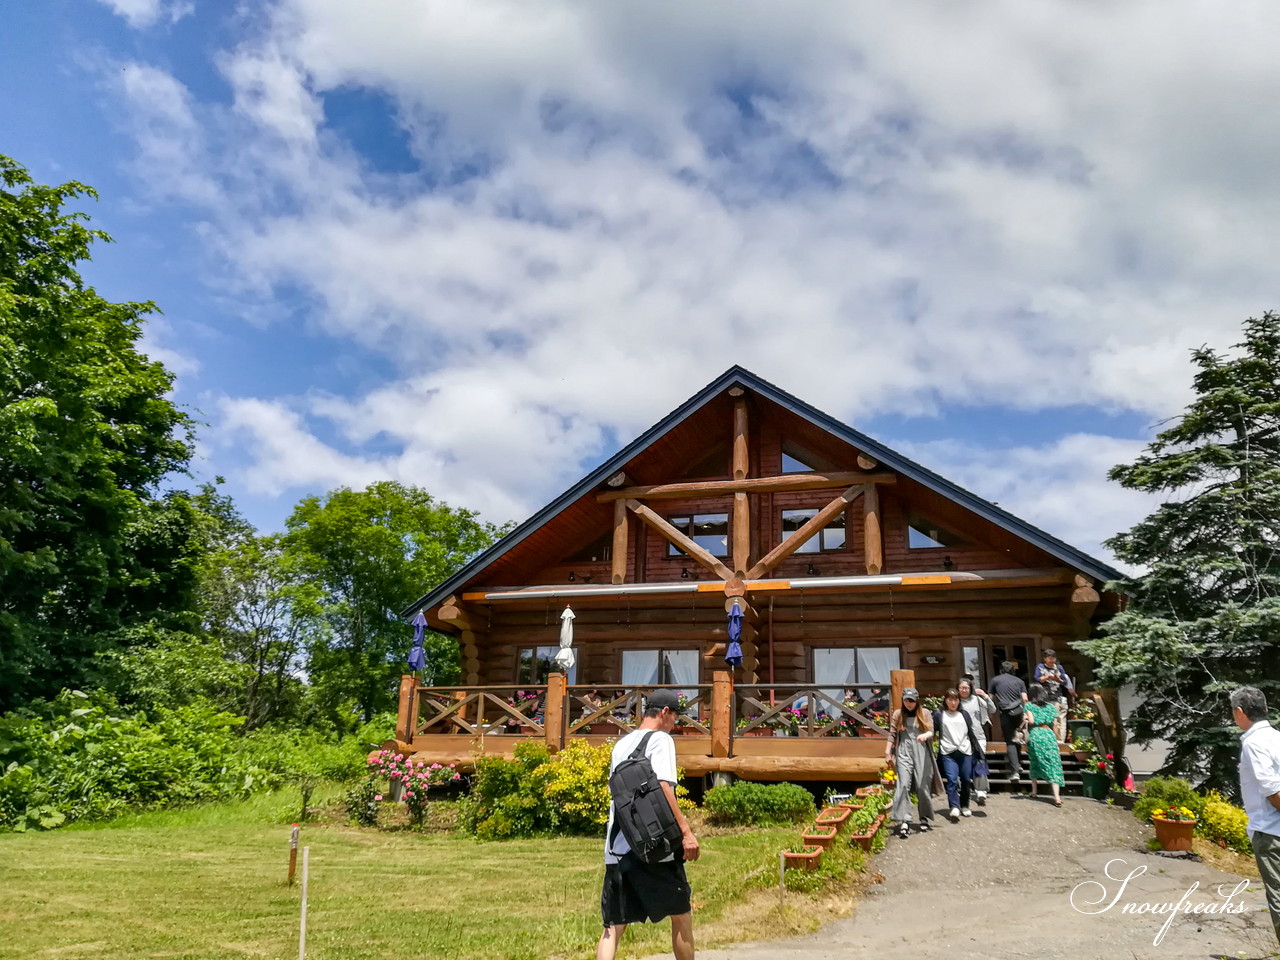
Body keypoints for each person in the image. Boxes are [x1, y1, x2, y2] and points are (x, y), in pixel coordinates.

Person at [598, 689, 700, 960]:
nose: (675, 724)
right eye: (676, 717)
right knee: (681, 916)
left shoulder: (622, 744)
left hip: (617, 847)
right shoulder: (661, 739)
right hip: (654, 847)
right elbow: (664, 786)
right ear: (665, 712)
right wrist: (686, 832)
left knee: (613, 927)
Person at [1230, 686, 1280, 943]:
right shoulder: (1276, 737)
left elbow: (1272, 790)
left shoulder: (1254, 743)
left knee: (1279, 897)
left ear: (1240, 712)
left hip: (1270, 833)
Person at [885, 687, 941, 838]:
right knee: (903, 784)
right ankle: (905, 820)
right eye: (906, 700)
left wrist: (925, 735)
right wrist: (887, 752)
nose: (909, 703)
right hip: (903, 751)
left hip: (921, 751)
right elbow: (892, 734)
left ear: (917, 701)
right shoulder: (898, 714)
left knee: (923, 786)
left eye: (912, 701)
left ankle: (924, 817)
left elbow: (931, 730)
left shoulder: (925, 713)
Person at [933, 688, 984, 820]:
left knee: (966, 779)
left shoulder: (964, 714)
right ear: (945, 700)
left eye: (956, 699)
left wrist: (976, 749)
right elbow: (933, 731)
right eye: (950, 699)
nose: (953, 702)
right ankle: (954, 806)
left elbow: (970, 732)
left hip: (965, 751)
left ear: (959, 701)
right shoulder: (939, 714)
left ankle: (965, 805)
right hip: (948, 752)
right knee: (952, 779)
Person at [1024, 683, 1064, 806]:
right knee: (1054, 763)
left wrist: (1025, 719)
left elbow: (1031, 721)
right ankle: (1057, 797)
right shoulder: (1051, 707)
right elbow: (1056, 725)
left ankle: (1034, 791)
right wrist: (1057, 739)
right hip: (1049, 734)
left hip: (1036, 734)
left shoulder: (1029, 705)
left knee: (1035, 761)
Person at [958, 676, 996, 805]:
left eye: (966, 688)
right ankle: (965, 790)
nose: (964, 690)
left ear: (970, 688)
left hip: (978, 735)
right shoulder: (955, 701)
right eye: (961, 688)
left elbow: (993, 709)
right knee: (964, 763)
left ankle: (981, 791)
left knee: (979, 761)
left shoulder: (977, 700)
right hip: (960, 737)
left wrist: (985, 696)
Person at [988, 660, 1029, 782]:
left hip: (1005, 712)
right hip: (1018, 712)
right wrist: (1026, 713)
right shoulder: (1020, 681)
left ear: (1001, 670)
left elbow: (990, 698)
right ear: (1012, 670)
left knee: (1010, 741)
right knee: (1018, 738)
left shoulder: (995, 680)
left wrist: (990, 712)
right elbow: (1025, 699)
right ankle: (1018, 764)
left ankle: (1015, 769)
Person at [1033, 649, 1075, 743]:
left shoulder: (1059, 668)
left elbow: (1064, 681)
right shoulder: (1040, 667)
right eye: (1049, 658)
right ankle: (1050, 740)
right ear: (1045, 659)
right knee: (1051, 720)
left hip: (1058, 697)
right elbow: (1037, 678)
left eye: (1053, 658)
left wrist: (1057, 679)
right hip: (1045, 697)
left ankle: (1060, 741)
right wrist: (1047, 677)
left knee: (1060, 720)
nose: (1052, 661)